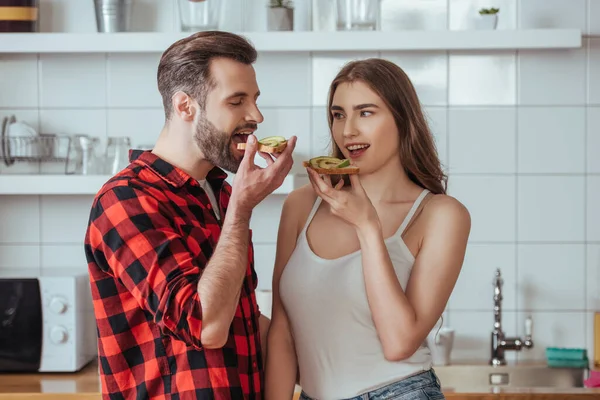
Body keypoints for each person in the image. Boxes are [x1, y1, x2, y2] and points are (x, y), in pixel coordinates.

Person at [84, 30, 296, 399]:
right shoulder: (126, 200)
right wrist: (241, 211)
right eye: (237, 102)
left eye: (255, 100)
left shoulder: (221, 193)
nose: (256, 116)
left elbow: (240, 320)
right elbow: (206, 326)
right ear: (185, 106)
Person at [265, 58, 471, 400]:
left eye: (366, 112)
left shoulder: (440, 215)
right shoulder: (302, 205)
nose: (348, 131)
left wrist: (367, 226)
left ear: (402, 120)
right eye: (338, 114)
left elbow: (399, 342)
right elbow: (282, 334)